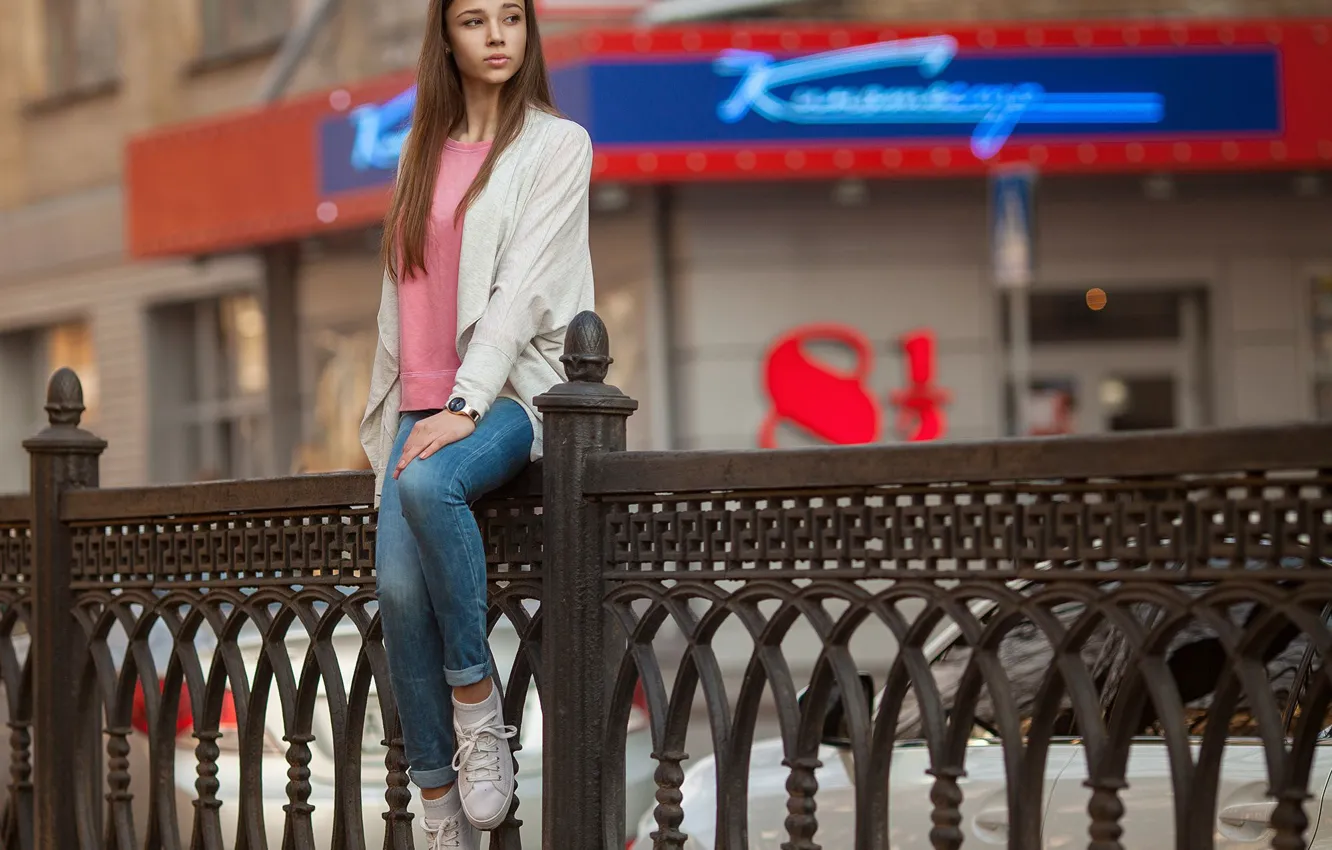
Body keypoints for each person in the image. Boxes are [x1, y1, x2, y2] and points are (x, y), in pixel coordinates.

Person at [358, 0, 594, 846]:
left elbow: (523, 288)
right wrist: (404, 406)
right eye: (473, 20)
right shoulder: (417, 155)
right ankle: (436, 807)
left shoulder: (556, 146)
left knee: (429, 483)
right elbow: (401, 298)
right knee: (394, 590)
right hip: (419, 404)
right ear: (446, 37)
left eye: (511, 18)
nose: (496, 37)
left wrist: (464, 404)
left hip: (504, 395)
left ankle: (477, 707)